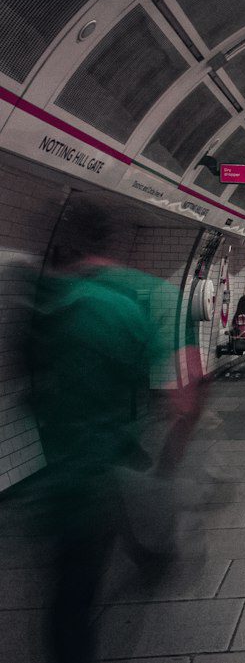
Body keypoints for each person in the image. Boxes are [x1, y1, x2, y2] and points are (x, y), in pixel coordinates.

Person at [27, 196, 204, 663]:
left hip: (59, 473)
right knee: (108, 568)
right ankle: (151, 555)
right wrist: (171, 464)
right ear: (117, 243)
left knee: (69, 597)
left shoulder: (44, 303)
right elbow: (180, 395)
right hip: (115, 463)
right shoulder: (142, 300)